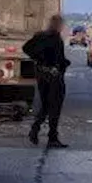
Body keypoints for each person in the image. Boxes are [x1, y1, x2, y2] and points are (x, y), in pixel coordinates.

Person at [23, 15, 71, 148]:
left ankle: (35, 129)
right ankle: (52, 137)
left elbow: (26, 48)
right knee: (55, 106)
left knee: (45, 104)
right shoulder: (56, 39)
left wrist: (38, 60)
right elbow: (59, 59)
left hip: (41, 74)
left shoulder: (40, 36)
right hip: (54, 76)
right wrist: (63, 65)